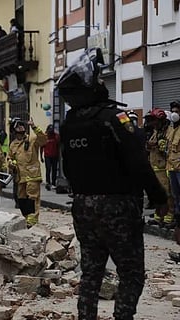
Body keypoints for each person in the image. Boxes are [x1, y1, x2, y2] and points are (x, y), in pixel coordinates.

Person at [57, 47, 168, 320]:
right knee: (131, 274)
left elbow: (68, 168)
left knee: (91, 273)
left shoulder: (70, 123)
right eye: (97, 79)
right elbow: (138, 162)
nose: (100, 83)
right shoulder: (114, 119)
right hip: (117, 205)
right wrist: (160, 198)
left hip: (83, 206)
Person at [8, 119, 47, 226]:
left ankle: (32, 222)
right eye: (18, 126)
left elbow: (43, 140)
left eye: (21, 125)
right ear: (13, 130)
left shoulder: (32, 139)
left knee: (32, 199)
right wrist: (11, 163)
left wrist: (34, 127)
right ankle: (27, 219)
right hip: (21, 177)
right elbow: (9, 158)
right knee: (21, 200)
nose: (21, 127)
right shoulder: (13, 145)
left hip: (32, 176)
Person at [145, 108, 175, 227]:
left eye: (154, 121)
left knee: (167, 193)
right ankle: (158, 216)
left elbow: (169, 150)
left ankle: (169, 216)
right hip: (155, 167)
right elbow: (150, 147)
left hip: (164, 167)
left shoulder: (169, 132)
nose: (152, 123)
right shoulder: (156, 132)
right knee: (157, 194)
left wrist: (160, 146)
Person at [166, 100, 180, 243]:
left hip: (179, 169)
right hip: (172, 168)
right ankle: (177, 222)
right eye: (173, 111)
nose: (175, 114)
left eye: (177, 111)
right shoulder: (172, 129)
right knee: (176, 198)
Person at [40, 124, 60, 191]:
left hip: (55, 155)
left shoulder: (56, 136)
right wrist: (41, 157)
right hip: (47, 156)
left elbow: (59, 144)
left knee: (54, 170)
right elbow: (41, 147)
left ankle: (53, 183)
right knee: (48, 169)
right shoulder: (45, 137)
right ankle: (48, 183)